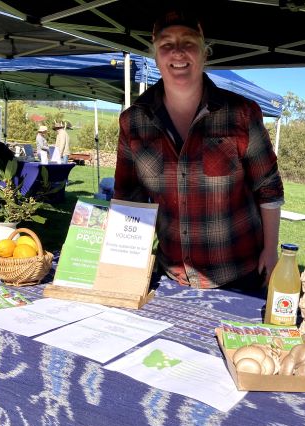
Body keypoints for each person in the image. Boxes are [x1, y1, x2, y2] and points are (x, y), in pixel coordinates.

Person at [113, 9, 284, 290]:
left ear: (205, 53)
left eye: (189, 42)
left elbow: (268, 187)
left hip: (240, 274)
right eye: (166, 44)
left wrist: (270, 249)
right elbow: (127, 198)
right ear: (155, 56)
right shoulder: (133, 121)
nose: (178, 53)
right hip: (170, 276)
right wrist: (120, 258)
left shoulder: (241, 113)